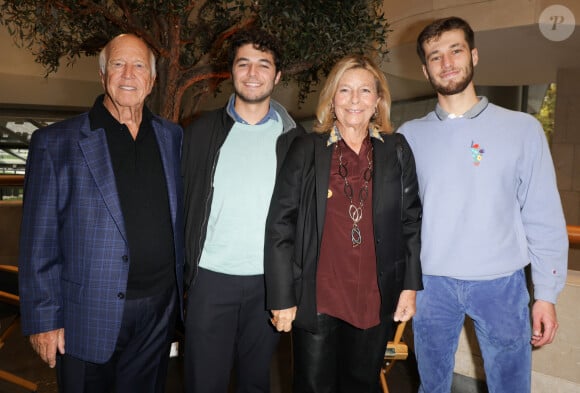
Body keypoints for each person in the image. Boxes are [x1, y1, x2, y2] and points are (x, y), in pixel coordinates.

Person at [397, 16, 569, 393]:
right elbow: (400, 218)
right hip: (432, 285)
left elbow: (542, 215)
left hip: (502, 285)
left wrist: (546, 294)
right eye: (435, 56)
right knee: (432, 387)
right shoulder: (409, 136)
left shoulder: (523, 129)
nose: (447, 62)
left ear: (473, 55)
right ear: (426, 70)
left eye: (455, 50)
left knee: (510, 386)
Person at [18, 34, 184, 393]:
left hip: (157, 311)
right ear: (101, 74)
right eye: (117, 64)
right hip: (86, 314)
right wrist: (43, 320)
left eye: (139, 65)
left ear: (152, 80)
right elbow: (38, 240)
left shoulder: (172, 137)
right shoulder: (57, 143)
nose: (128, 74)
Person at [264, 54, 423, 392]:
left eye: (365, 91)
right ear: (332, 99)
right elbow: (280, 225)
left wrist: (409, 286)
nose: (355, 100)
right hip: (319, 296)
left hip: (374, 295)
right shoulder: (305, 148)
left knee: (361, 385)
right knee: (313, 386)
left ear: (378, 100)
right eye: (345, 90)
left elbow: (411, 220)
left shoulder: (396, 149)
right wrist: (281, 297)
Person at [181, 27, 306, 393]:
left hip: (269, 284)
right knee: (204, 383)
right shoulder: (199, 132)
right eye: (244, 63)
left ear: (277, 75)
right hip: (209, 282)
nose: (253, 73)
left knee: (256, 383)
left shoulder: (296, 140)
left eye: (263, 65)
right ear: (231, 71)